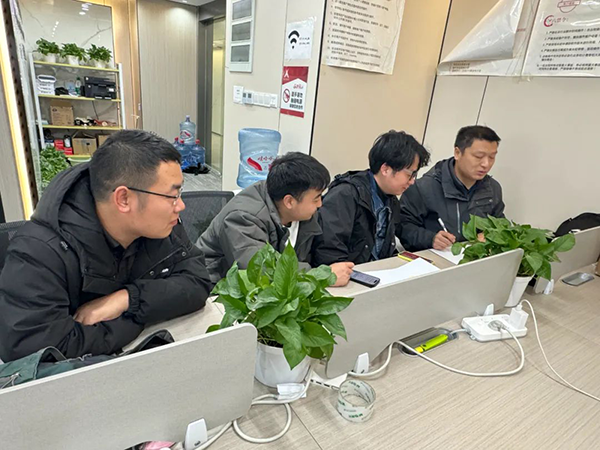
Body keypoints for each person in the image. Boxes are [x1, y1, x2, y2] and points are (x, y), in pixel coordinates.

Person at [0, 130, 212, 362]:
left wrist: (129, 299)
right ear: (124, 199)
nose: (180, 206)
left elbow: (197, 282)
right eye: (172, 196)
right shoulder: (38, 253)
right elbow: (37, 352)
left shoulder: (159, 227)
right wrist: (140, 317)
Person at [197, 152, 354, 286]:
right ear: (289, 201)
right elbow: (259, 272)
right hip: (216, 290)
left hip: (271, 294)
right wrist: (322, 276)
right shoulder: (243, 217)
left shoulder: (302, 213)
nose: (320, 204)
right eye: (316, 198)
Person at [312, 130, 431, 265]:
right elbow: (328, 252)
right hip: (350, 273)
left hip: (377, 271)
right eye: (409, 175)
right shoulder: (345, 195)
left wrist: (430, 239)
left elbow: (396, 236)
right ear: (385, 169)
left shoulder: (390, 198)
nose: (412, 181)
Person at [398, 125, 505, 252]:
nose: (486, 164)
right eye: (478, 156)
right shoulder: (423, 188)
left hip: (476, 258)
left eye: (492, 157)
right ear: (457, 153)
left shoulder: (493, 188)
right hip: (436, 257)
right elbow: (402, 227)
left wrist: (490, 235)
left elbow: (500, 224)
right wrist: (430, 239)